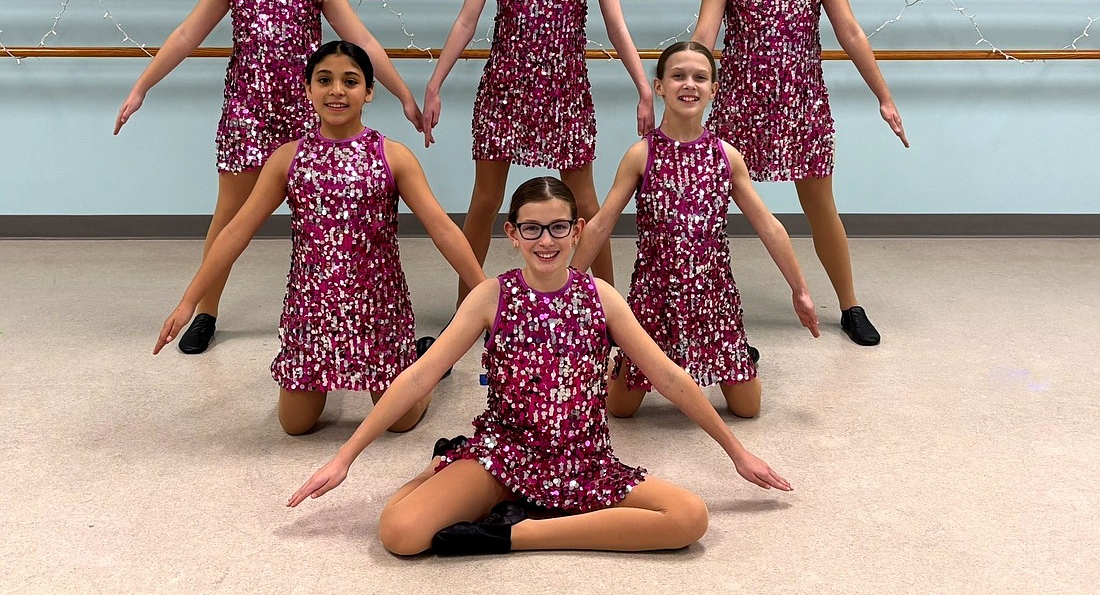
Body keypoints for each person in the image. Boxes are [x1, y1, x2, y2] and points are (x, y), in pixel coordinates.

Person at [288, 177, 795, 556]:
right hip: (504, 454)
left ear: (577, 231)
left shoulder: (603, 298)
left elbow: (669, 377)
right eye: (532, 228)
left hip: (582, 461)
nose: (546, 240)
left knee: (689, 518)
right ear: (512, 232)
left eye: (557, 227)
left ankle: (515, 532)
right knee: (399, 533)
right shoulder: (491, 296)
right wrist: (344, 457)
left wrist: (737, 452)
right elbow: (420, 375)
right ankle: (455, 467)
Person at [116, 0, 423, 355]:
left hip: (308, 114)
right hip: (248, 111)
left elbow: (360, 40)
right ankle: (206, 310)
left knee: (321, 218)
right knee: (229, 216)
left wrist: (404, 93)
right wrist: (142, 86)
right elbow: (185, 35)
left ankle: (321, 308)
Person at [154, 42, 482, 435]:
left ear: (369, 91)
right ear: (307, 89)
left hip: (379, 310)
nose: (337, 91)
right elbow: (236, 231)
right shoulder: (287, 159)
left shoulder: (393, 157)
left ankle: (429, 363)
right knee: (295, 425)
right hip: (311, 314)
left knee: (400, 422)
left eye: (351, 81)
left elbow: (443, 229)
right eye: (324, 80)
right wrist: (189, 300)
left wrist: (487, 297)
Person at [421, 0, 655, 307]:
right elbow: (468, 18)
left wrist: (644, 88)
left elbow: (615, 22)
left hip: (565, 89)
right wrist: (434, 82)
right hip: (505, 88)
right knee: (486, 199)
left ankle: (604, 309)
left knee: (586, 203)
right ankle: (468, 310)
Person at [693, 0, 909, 347]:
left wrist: (884, 95)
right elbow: (705, 37)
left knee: (820, 206)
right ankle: (700, 307)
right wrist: (681, 103)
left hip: (802, 100)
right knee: (709, 204)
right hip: (741, 100)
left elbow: (849, 31)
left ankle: (850, 304)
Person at [571, 41, 818, 419]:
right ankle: (619, 360)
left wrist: (800, 290)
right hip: (654, 298)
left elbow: (768, 226)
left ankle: (737, 352)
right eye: (678, 76)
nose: (689, 84)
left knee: (747, 410)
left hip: (714, 299)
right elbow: (602, 222)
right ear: (660, 87)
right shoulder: (641, 154)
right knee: (619, 410)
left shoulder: (726, 155)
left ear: (713, 89)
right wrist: (567, 288)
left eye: (700, 77)